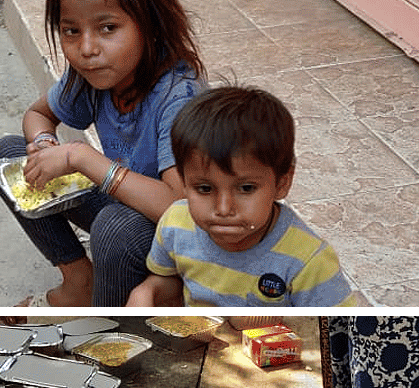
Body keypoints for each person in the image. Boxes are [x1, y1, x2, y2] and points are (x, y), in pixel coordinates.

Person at [0, 0, 205, 306]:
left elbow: (181, 208)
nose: (86, 49)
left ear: (152, 24)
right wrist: (44, 145)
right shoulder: (94, 74)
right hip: (122, 205)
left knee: (114, 228)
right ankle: (79, 281)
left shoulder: (178, 98)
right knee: (6, 155)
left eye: (108, 28)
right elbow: (38, 115)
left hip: (174, 235)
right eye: (71, 31)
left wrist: (80, 156)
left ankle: (113, 319)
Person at [129, 86, 363, 307]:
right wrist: (148, 291)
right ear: (184, 181)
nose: (223, 208)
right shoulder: (176, 226)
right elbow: (172, 280)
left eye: (246, 188)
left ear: (282, 182)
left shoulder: (308, 261)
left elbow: (339, 328)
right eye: (205, 189)